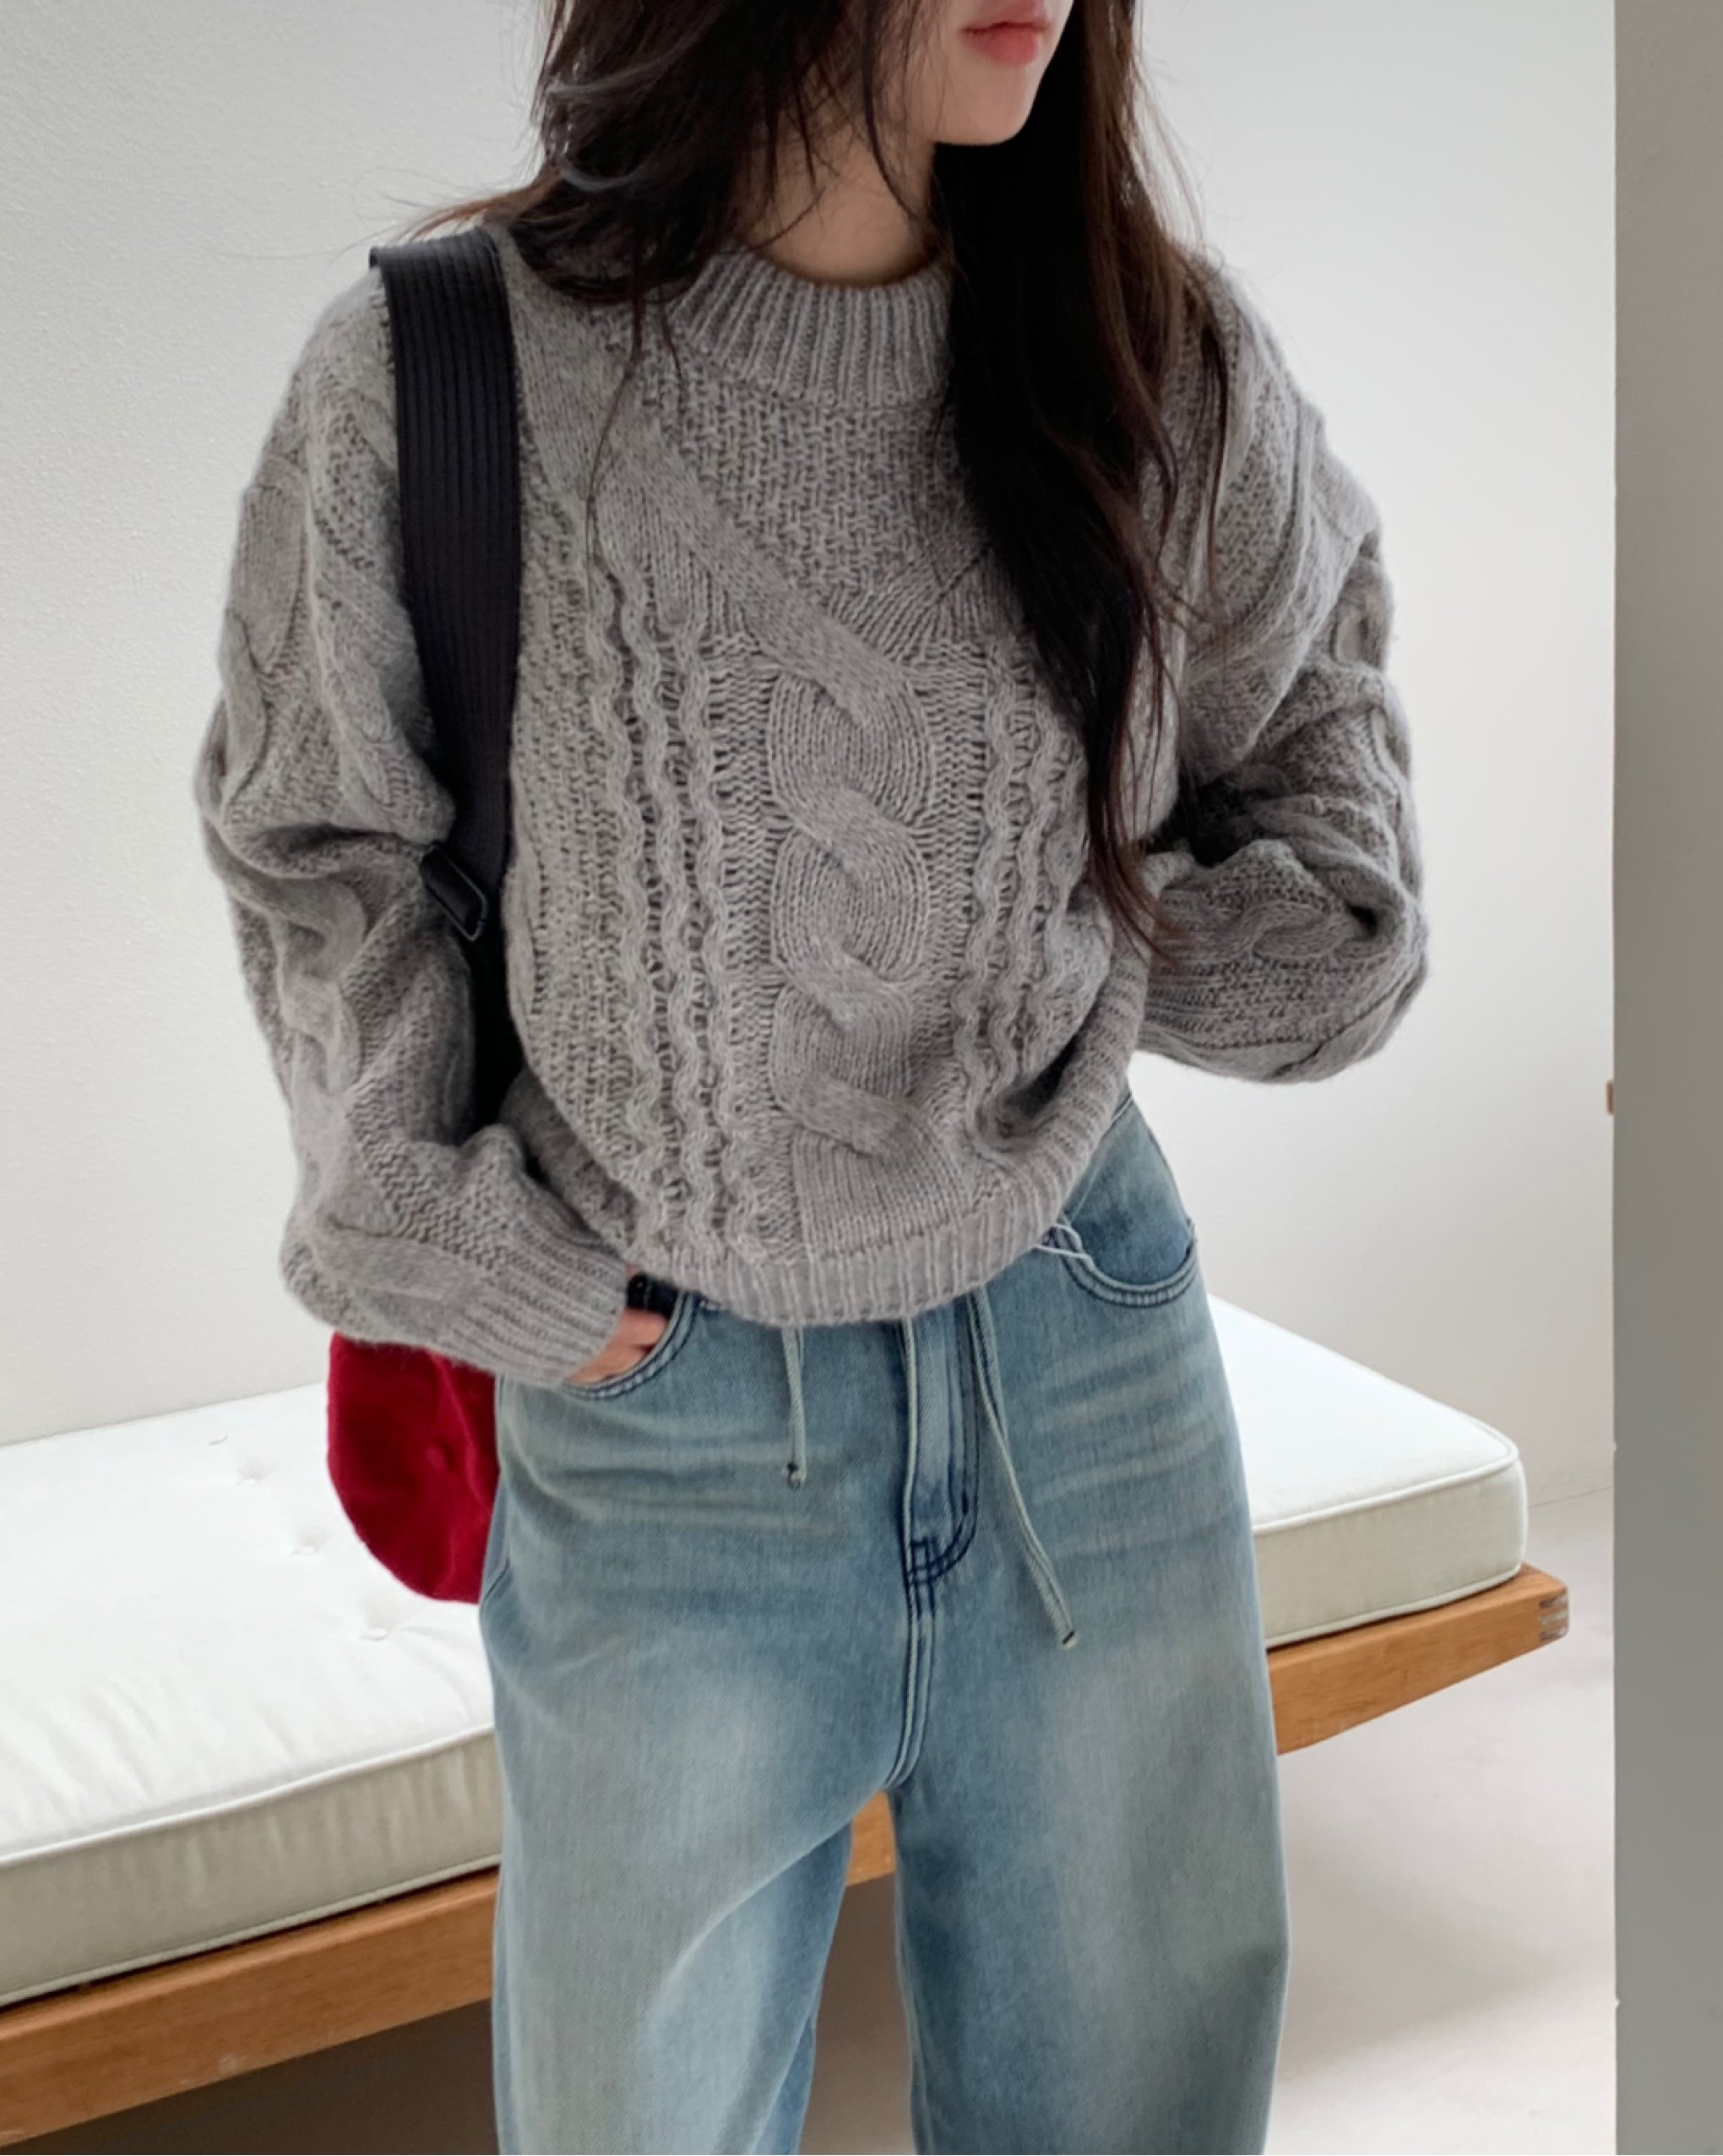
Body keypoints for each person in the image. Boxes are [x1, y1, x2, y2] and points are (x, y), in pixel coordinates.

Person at [192, 0, 1429, 2147]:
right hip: (667, 1413)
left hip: (1087, 1356)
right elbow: (319, 844)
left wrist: (1069, 931)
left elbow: (1329, 845)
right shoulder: (442, 372)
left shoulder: (1157, 362)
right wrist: (458, 1238)